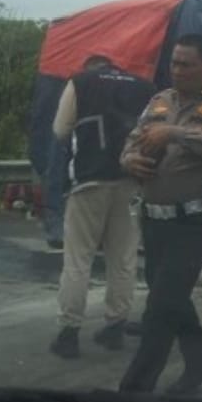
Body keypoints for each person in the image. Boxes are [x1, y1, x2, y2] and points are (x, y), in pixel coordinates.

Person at [117, 34, 202, 395]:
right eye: (174, 62)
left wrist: (175, 134)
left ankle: (134, 391)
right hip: (155, 219)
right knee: (171, 297)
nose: (177, 70)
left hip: (193, 221)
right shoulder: (158, 101)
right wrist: (129, 160)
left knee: (159, 308)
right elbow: (132, 141)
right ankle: (201, 363)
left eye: (186, 64)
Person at [48, 55, 154, 359]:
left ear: (89, 67)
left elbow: (60, 129)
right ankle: (115, 328)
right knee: (123, 259)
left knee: (78, 259)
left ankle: (69, 333)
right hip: (131, 181)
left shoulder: (80, 82)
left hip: (89, 181)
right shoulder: (145, 87)